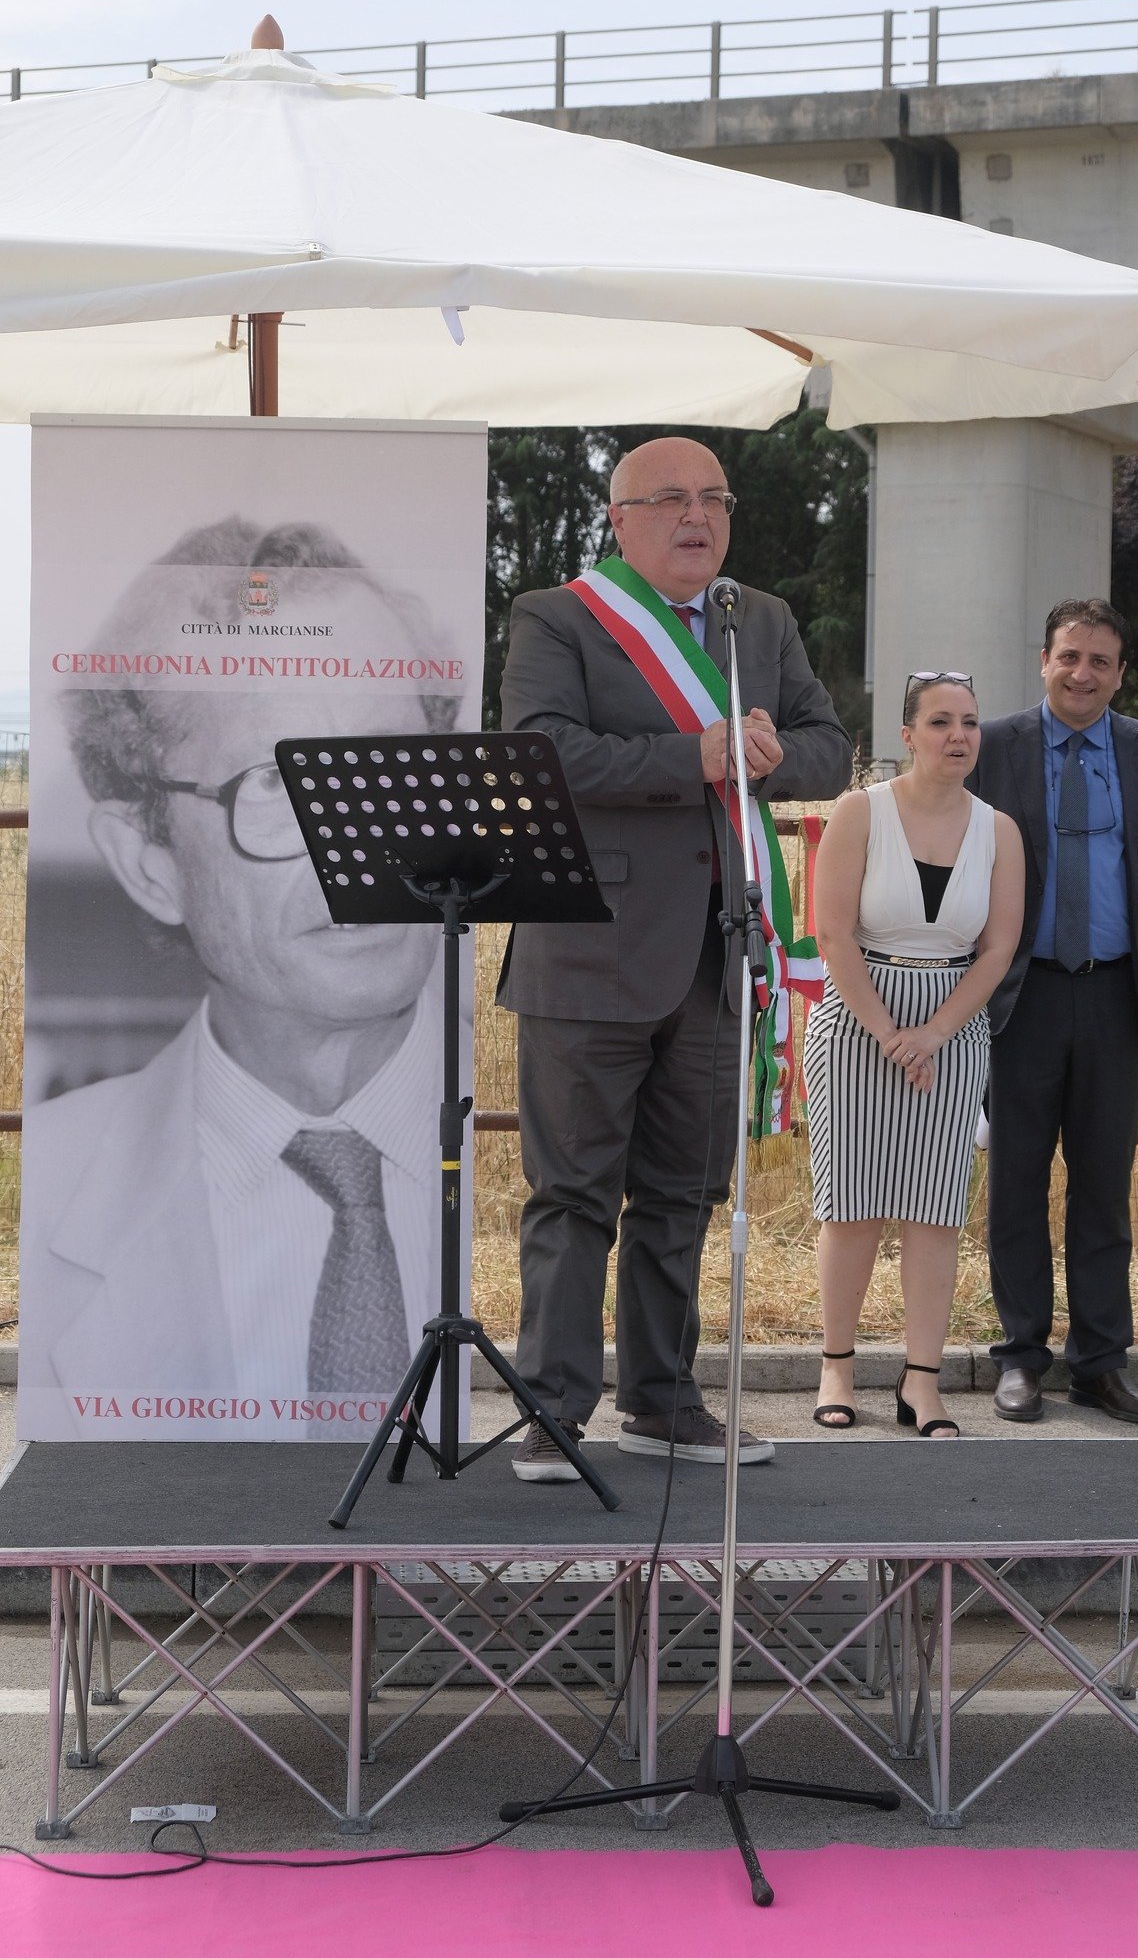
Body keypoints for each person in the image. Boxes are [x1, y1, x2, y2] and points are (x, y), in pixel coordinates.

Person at [20, 520, 461, 1438]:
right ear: (150, 864)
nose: (361, 846)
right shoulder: (58, 1177)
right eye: (277, 782)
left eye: (393, 768)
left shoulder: (542, 1143)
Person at [498, 435, 852, 1481]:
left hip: (720, 950)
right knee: (572, 1195)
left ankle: (661, 1401)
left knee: (681, 1193)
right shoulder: (557, 616)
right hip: (589, 950)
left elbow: (829, 747)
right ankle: (553, 1410)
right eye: (670, 500)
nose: (696, 516)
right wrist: (690, 755)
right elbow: (542, 751)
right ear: (620, 519)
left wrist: (768, 755)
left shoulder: (759, 620)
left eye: (713, 498)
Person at [967, 598, 1138, 1425]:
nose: (1081, 673)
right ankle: (1020, 1357)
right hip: (1017, 998)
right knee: (1016, 1182)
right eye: (1068, 656)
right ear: (1043, 661)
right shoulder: (993, 746)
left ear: (1120, 673)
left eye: (1099, 660)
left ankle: (1099, 1361)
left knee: (1102, 1187)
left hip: (1114, 997)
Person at [804, 674, 1024, 1436]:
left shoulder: (998, 831)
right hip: (855, 1023)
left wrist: (931, 1033)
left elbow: (997, 948)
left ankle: (921, 1381)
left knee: (934, 1210)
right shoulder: (859, 812)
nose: (957, 736)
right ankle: (836, 1369)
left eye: (969, 722)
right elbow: (831, 934)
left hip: (951, 1030)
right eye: (939, 722)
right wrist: (886, 1031)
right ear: (906, 735)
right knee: (851, 1205)